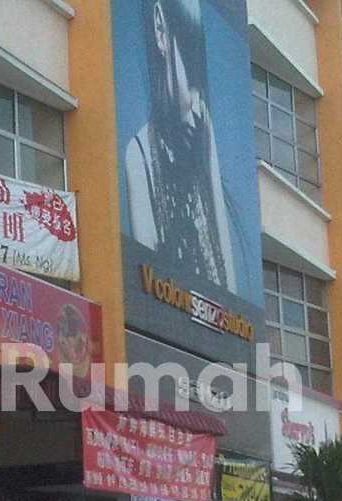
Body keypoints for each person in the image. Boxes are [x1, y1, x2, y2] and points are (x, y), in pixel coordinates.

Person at [124, 0, 236, 291]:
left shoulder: (203, 129)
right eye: (189, 64)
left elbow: (226, 261)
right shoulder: (139, 155)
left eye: (201, 77)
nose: (197, 97)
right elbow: (145, 284)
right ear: (160, 30)